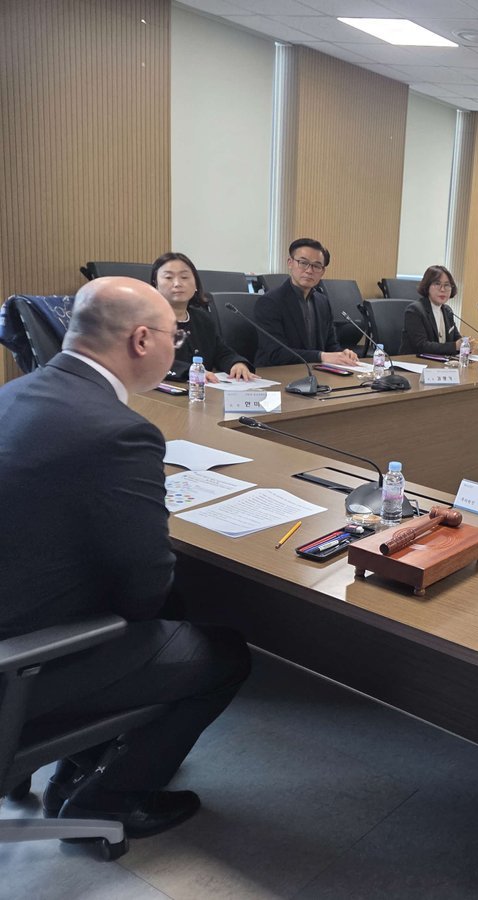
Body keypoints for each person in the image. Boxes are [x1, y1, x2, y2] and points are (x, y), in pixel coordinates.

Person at [0, 277, 251, 839]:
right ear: (141, 340)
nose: (176, 348)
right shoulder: (118, 431)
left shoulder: (14, 393)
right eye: (174, 337)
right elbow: (144, 586)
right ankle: (106, 803)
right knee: (224, 654)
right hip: (22, 664)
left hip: (14, 613)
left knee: (174, 610)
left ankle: (79, 769)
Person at [253, 238, 359, 368]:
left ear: (322, 271)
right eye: (303, 263)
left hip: (314, 371)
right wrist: (321, 356)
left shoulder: (322, 301)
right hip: (276, 373)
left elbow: (330, 345)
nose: (309, 270)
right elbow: (276, 353)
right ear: (290, 263)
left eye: (316, 266)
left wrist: (342, 354)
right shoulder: (269, 302)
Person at [151, 251, 253, 382]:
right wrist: (190, 371)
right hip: (159, 390)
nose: (177, 283)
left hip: (202, 391)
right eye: (168, 277)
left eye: (184, 277)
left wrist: (236, 363)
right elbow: (152, 361)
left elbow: (221, 352)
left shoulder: (202, 318)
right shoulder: (147, 321)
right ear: (155, 284)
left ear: (196, 284)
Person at [401, 265, 465, 356]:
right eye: (437, 284)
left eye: (447, 285)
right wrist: (455, 346)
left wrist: (465, 344)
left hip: (441, 361)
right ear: (427, 286)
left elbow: (456, 338)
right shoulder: (414, 311)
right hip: (415, 361)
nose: (442, 289)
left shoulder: (447, 311)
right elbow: (422, 346)